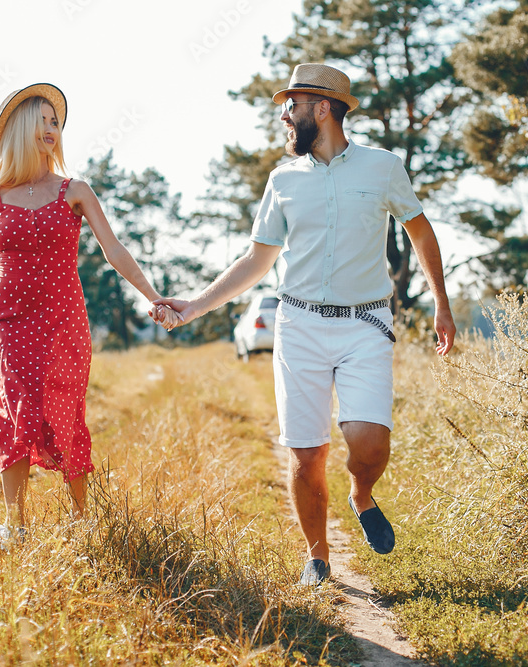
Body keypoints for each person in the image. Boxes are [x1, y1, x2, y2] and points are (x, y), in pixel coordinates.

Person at [151, 63, 455, 585]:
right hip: (299, 325)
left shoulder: (383, 167)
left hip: (366, 323)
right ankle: (318, 557)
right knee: (307, 451)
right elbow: (256, 260)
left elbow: (421, 232)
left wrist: (441, 303)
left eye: (292, 106)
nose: (285, 116)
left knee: (370, 444)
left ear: (323, 108)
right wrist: (195, 305)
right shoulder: (283, 180)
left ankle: (361, 494)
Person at [0, 83, 180, 550]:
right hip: (8, 319)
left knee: (63, 410)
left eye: (55, 121)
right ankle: (14, 525)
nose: (52, 128)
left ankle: (81, 521)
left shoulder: (75, 190)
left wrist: (153, 296)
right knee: (14, 408)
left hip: (63, 319)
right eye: (41, 120)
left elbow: (113, 249)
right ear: (19, 130)